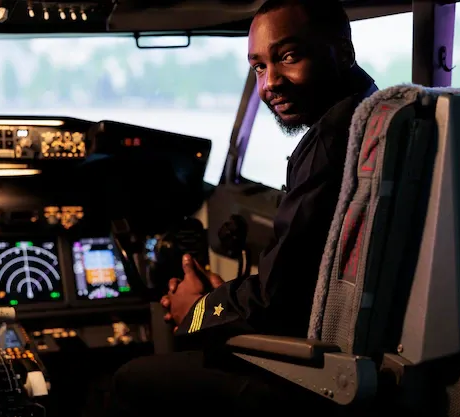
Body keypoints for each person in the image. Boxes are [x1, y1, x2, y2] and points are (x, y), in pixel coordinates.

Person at [109, 0, 378, 415]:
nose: (270, 82)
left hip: (316, 374)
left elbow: (274, 304)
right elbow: (294, 281)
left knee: (128, 380)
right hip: (350, 356)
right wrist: (222, 296)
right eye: (258, 66)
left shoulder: (331, 144)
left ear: (343, 53)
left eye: (288, 57)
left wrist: (197, 310)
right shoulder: (368, 121)